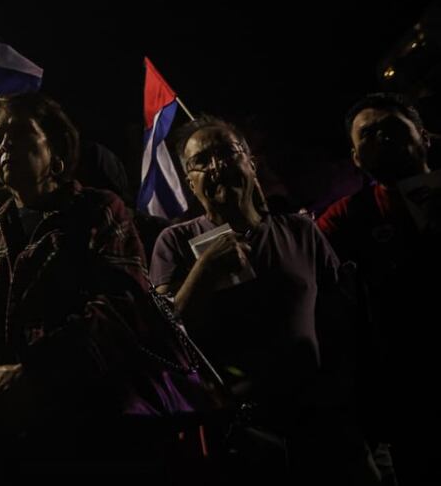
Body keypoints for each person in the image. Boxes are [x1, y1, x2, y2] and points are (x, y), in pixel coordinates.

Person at [0, 93, 213, 484]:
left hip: (90, 430)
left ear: (56, 147)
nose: (4, 143)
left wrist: (35, 372)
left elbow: (121, 305)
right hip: (4, 437)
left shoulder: (98, 211)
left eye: (18, 132)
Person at [150, 116, 364, 482]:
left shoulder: (299, 230)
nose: (216, 167)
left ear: (250, 162)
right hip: (239, 435)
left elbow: (341, 315)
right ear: (189, 182)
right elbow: (163, 338)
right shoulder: (174, 243)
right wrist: (204, 272)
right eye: (201, 161)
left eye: (226, 153)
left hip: (319, 420)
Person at [317, 92, 438, 483]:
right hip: (408, 391)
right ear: (355, 157)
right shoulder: (346, 216)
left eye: (391, 128)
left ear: (424, 136)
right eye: (367, 134)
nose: (381, 138)